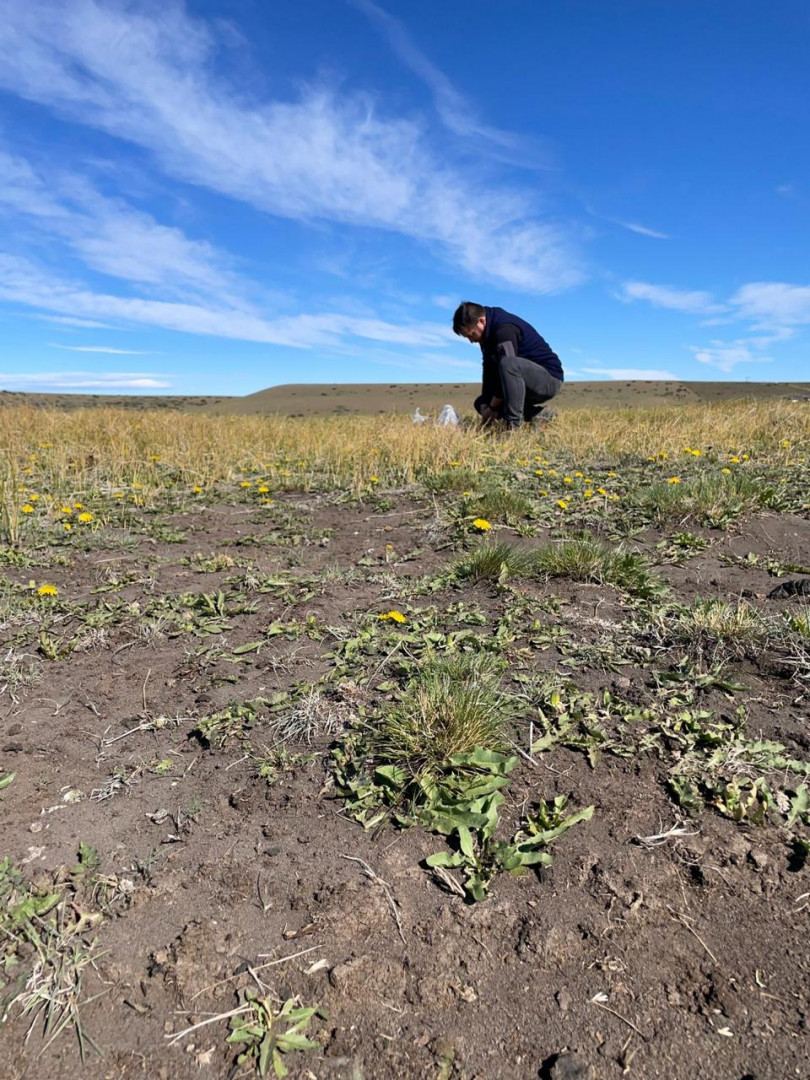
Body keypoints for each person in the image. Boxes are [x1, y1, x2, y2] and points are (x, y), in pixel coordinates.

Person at [452, 302, 563, 429]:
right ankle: (541, 415)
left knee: (509, 364)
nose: (471, 341)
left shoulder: (504, 330)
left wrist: (493, 407)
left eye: (471, 334)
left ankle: (513, 427)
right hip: (519, 380)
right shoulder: (486, 335)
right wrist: (485, 405)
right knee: (481, 402)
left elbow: (508, 369)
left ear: (481, 321)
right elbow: (489, 370)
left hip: (548, 379)